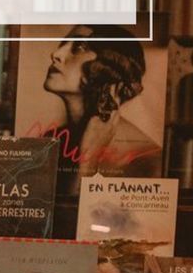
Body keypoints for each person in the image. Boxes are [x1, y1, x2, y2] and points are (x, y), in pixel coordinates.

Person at [42, 25, 161, 192]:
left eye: (79, 47)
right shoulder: (50, 141)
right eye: (63, 44)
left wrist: (88, 162)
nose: (56, 54)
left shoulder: (146, 160)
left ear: (110, 65)